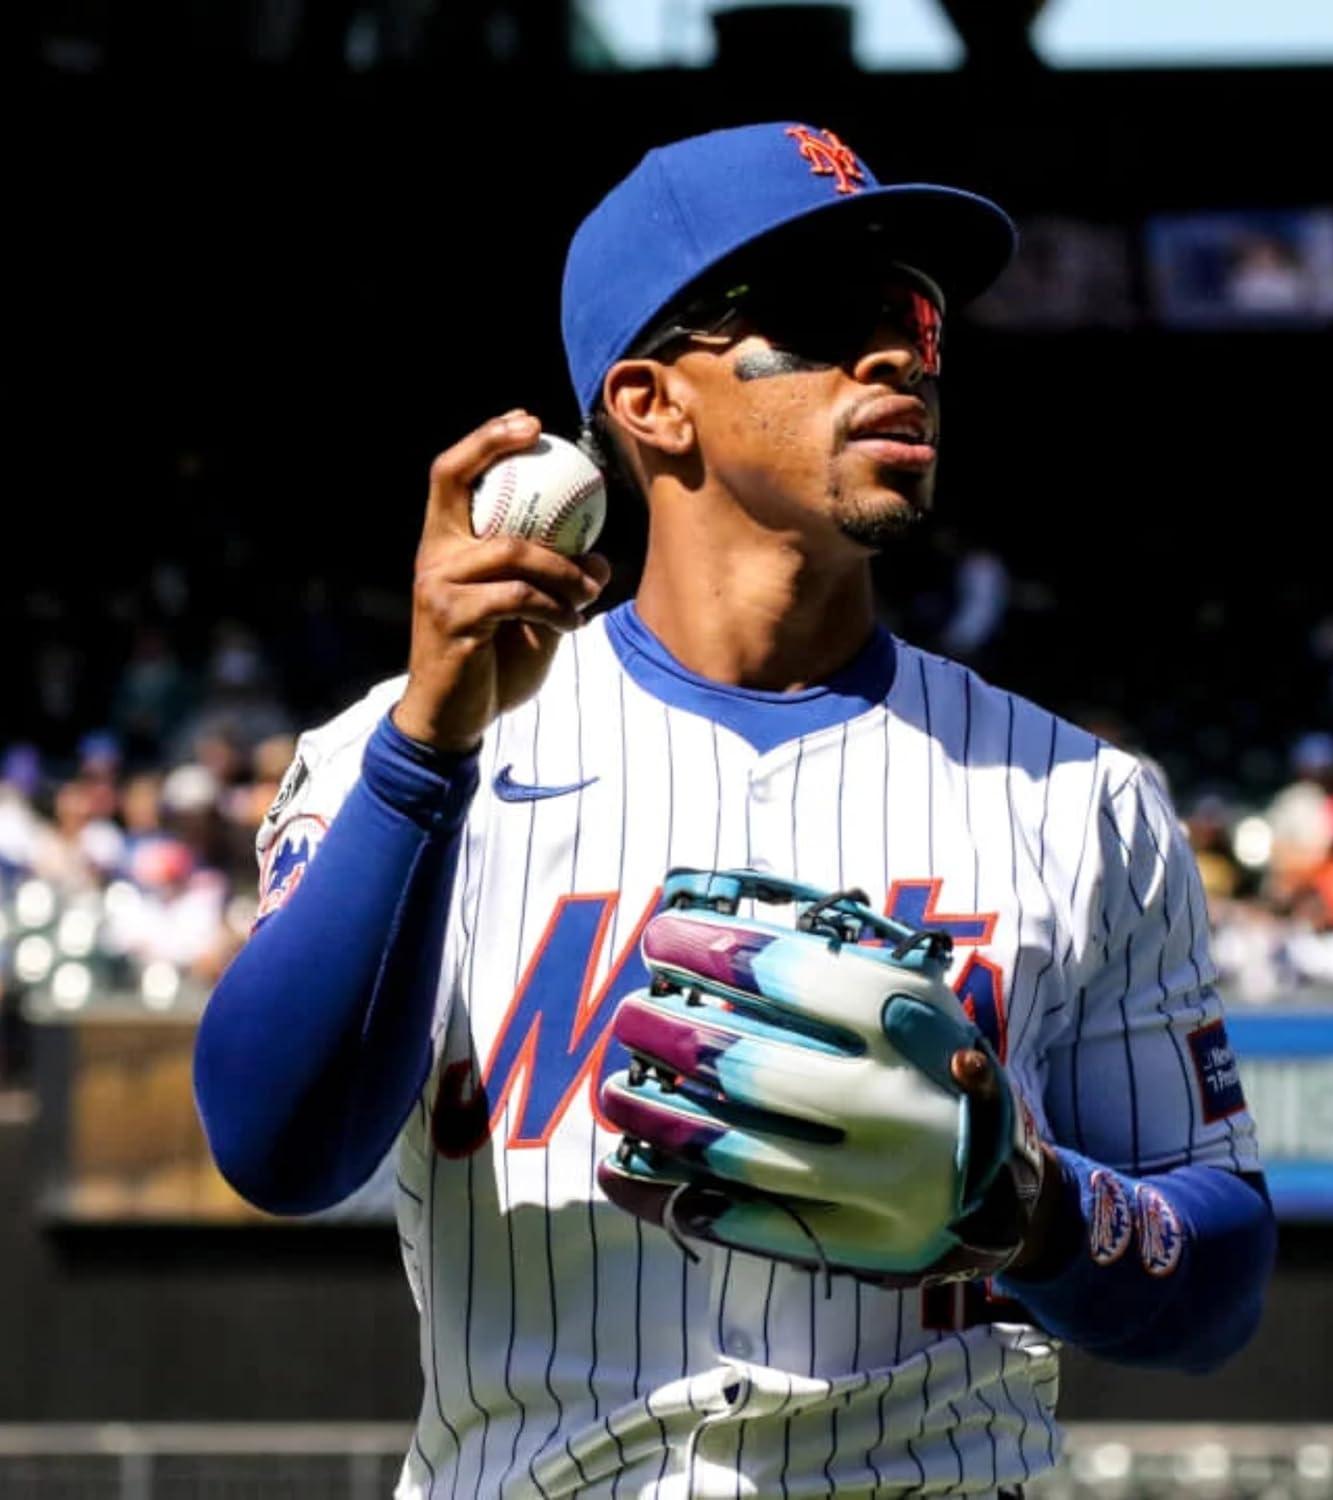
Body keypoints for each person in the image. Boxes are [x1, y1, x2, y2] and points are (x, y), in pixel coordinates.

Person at [194, 123, 1274, 1498]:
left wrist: (1034, 1206)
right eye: (829, 317)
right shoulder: (400, 756)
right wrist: (426, 757)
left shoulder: (1082, 800)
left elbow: (1221, 1273)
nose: (895, 360)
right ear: (651, 402)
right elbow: (278, 1151)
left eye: (917, 322)